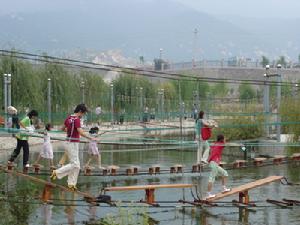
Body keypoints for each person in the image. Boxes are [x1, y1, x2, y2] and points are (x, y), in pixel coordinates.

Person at [50, 104, 95, 191]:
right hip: (72, 143)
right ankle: (57, 172)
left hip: (69, 142)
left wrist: (71, 130)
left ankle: (71, 184)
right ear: (80, 112)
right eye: (84, 113)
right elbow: (81, 132)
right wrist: (92, 138)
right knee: (74, 164)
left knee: (77, 166)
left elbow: (62, 128)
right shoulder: (77, 119)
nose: (83, 116)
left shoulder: (69, 118)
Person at [206, 134, 231, 199]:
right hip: (214, 163)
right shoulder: (220, 145)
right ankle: (208, 194)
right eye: (224, 139)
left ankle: (224, 188)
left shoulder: (216, 144)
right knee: (211, 178)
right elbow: (225, 144)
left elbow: (212, 153)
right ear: (222, 140)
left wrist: (208, 161)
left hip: (214, 163)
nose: (225, 140)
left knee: (225, 173)